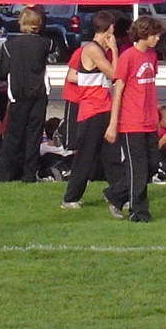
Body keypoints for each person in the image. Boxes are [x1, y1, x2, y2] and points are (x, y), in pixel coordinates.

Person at [103, 16, 164, 222]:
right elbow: (118, 90)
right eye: (154, 34)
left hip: (148, 120)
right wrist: (113, 124)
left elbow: (149, 88)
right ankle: (138, 212)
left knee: (152, 166)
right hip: (131, 121)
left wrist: (155, 115)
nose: (157, 38)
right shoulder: (128, 57)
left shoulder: (152, 56)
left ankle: (115, 194)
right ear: (143, 34)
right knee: (137, 168)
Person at [61, 12, 118, 209]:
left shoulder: (100, 50)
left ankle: (118, 193)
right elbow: (114, 74)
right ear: (109, 28)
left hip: (103, 107)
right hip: (92, 109)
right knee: (85, 156)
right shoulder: (93, 49)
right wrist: (115, 50)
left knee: (111, 156)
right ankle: (70, 198)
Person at [0, 8, 52, 183]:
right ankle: (29, 173)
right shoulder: (46, 44)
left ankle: (6, 173)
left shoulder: (9, 45)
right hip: (39, 93)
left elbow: (2, 71)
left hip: (18, 93)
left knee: (13, 135)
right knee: (34, 135)